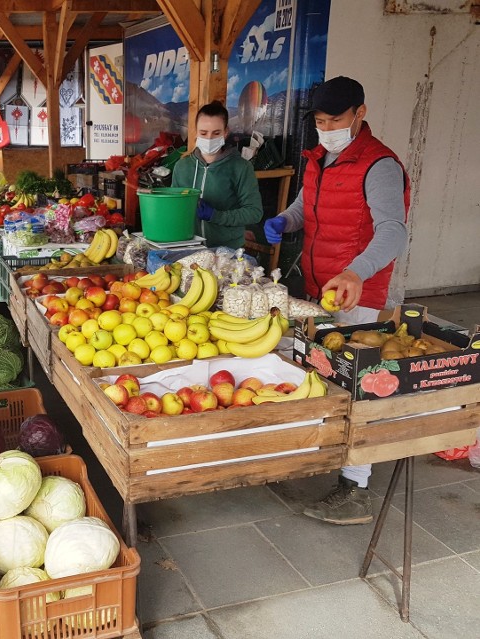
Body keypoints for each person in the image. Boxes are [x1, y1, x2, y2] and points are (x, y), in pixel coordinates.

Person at [264, 76, 410, 525]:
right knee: (319, 370)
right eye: (320, 121)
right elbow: (305, 208)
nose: (326, 129)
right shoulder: (319, 159)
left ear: (359, 114)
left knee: (358, 384)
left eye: (335, 120)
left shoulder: (379, 164)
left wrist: (355, 272)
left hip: (359, 292)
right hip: (321, 285)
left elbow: (393, 232)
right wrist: (283, 223)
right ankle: (327, 457)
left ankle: (356, 489)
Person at [171, 101, 263, 248]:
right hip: (188, 248)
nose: (209, 139)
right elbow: (174, 209)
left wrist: (216, 216)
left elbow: (254, 212)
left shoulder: (240, 167)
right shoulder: (182, 167)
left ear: (225, 132)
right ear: (195, 131)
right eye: (203, 133)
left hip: (226, 251)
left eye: (216, 133)